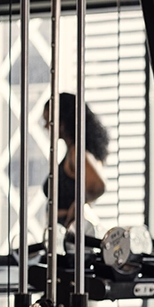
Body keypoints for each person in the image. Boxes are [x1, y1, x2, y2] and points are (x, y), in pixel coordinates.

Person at [42, 92, 108, 228]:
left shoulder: (76, 152)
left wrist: (78, 204)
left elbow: (98, 186)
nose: (46, 126)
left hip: (72, 234)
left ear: (62, 122)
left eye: (49, 121)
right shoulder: (74, 151)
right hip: (66, 234)